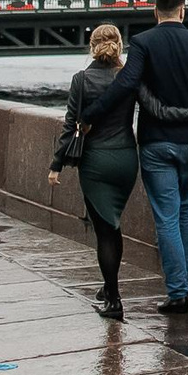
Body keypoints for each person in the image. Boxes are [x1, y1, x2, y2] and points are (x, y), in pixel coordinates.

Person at [81, 0, 188, 313]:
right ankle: (183, 283)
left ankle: (178, 292)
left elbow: (126, 83)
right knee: (186, 210)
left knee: (167, 217)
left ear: (155, 12)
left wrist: (89, 115)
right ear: (183, 10)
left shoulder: (143, 42)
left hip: (157, 143)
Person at [48, 24, 138, 318]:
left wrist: (56, 164)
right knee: (113, 226)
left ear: (92, 46)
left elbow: (70, 123)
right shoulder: (129, 77)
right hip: (126, 158)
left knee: (105, 231)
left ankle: (113, 300)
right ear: (119, 46)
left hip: (95, 161)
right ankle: (108, 286)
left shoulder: (81, 79)